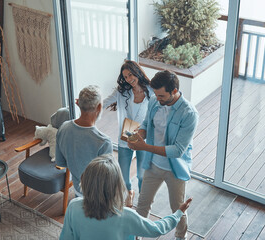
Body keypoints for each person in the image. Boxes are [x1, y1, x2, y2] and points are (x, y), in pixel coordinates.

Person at [128, 70, 199, 240]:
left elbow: (177, 150)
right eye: (155, 95)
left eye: (161, 96)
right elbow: (146, 123)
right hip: (153, 165)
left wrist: (144, 147)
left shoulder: (189, 114)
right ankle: (138, 236)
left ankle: (181, 237)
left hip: (175, 170)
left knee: (178, 209)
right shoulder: (154, 101)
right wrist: (138, 135)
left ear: (174, 91)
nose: (157, 99)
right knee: (143, 204)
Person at [59, 154, 192, 240]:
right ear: (117, 186)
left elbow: (66, 238)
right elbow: (156, 229)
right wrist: (178, 214)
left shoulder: (73, 206)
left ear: (85, 180)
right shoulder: (126, 215)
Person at [103, 60, 154, 207]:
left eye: (130, 75)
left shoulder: (151, 91)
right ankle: (129, 191)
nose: (129, 79)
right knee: (124, 176)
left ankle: (144, 200)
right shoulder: (122, 91)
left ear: (137, 72)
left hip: (144, 136)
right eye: (125, 77)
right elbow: (105, 102)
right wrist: (87, 104)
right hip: (127, 134)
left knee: (141, 175)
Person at [56, 85, 113, 197]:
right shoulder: (103, 142)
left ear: (78, 103)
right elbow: (107, 180)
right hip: (98, 196)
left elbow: (61, 162)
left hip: (78, 191)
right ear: (99, 107)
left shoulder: (63, 128)